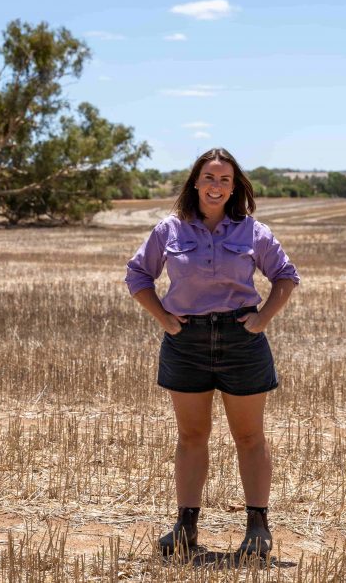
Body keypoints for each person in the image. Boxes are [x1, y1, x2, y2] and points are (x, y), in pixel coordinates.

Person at [124, 147, 300, 561]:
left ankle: (257, 528)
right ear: (195, 183)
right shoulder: (169, 229)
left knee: (250, 436)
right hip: (186, 342)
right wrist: (164, 318)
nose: (216, 186)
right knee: (191, 436)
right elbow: (137, 276)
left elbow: (285, 277)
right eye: (209, 178)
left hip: (242, 342)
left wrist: (262, 321)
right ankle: (185, 527)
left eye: (224, 179)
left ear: (235, 186)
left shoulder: (252, 232)